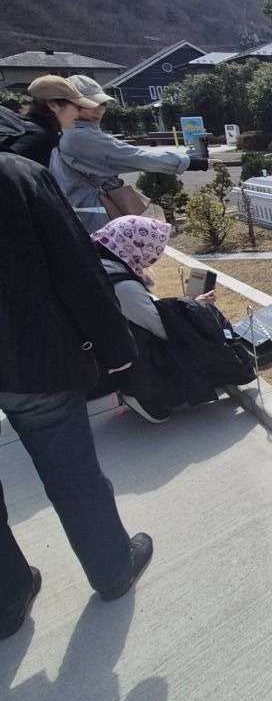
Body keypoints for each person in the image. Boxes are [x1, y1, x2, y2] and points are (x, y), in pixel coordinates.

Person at [0, 154, 153, 640]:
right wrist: (115, 346)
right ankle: (112, 568)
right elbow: (76, 266)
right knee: (72, 475)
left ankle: (7, 596)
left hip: (25, 356)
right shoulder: (16, 175)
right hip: (28, 357)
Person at [92, 215, 252, 424]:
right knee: (190, 334)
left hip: (110, 358)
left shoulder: (102, 270)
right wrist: (196, 306)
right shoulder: (124, 287)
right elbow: (164, 328)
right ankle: (144, 394)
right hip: (132, 366)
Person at [49, 74, 209, 232]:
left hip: (81, 211)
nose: (98, 110)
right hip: (97, 215)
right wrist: (193, 162)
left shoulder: (62, 132)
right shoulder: (80, 136)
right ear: (69, 106)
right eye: (88, 104)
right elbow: (136, 157)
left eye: (102, 104)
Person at [0, 74, 95, 166]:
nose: (79, 114)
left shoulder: (28, 129)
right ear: (53, 106)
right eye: (78, 107)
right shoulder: (38, 139)